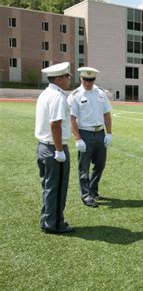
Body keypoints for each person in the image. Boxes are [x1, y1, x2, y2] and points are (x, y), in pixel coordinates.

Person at [35, 62, 74, 233]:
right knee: (57, 189)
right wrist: (59, 150)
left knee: (49, 187)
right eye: (67, 77)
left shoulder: (46, 93)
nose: (68, 79)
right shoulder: (57, 96)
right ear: (59, 78)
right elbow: (55, 125)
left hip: (43, 146)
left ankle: (47, 220)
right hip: (53, 148)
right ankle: (55, 224)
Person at [68, 67, 112, 208]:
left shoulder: (101, 93)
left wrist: (109, 133)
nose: (88, 82)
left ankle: (93, 190)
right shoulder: (75, 95)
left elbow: (106, 114)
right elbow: (72, 118)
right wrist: (77, 138)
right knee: (84, 167)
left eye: (91, 80)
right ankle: (86, 195)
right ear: (81, 78)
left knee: (100, 164)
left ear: (95, 79)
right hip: (85, 133)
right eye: (86, 79)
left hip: (100, 133)